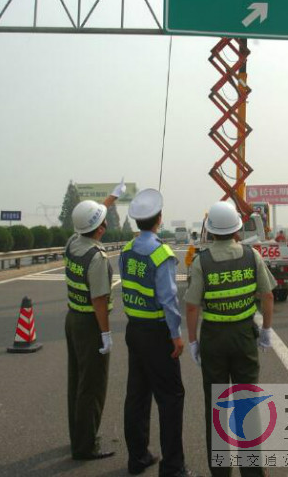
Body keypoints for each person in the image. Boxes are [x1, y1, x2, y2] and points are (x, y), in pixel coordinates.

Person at [185, 200, 277, 477]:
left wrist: (192, 340)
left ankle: (221, 473)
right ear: (238, 229)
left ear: (211, 232)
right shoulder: (252, 257)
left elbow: (192, 306)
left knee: (217, 408)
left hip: (213, 338)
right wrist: (266, 330)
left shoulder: (202, 262)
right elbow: (268, 295)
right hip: (243, 337)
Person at [120, 188, 199, 477]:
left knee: (137, 395)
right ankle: (173, 467)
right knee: (171, 397)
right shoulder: (160, 253)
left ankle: (138, 457)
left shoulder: (127, 250)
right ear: (159, 219)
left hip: (134, 329)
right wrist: (176, 335)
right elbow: (168, 299)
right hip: (156, 333)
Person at [65, 179, 125, 461]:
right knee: (92, 385)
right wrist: (106, 334)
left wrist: (112, 196)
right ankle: (86, 445)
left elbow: (92, 216)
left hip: (72, 319)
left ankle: (78, 434)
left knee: (77, 379)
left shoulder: (74, 242)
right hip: (90, 324)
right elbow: (99, 300)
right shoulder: (97, 257)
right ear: (100, 229)